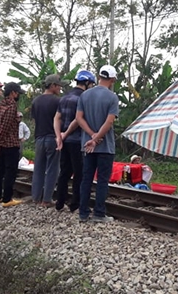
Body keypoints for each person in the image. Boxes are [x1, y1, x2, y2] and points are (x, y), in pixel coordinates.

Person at [77, 65, 119, 223]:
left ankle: (83, 213)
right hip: (105, 147)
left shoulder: (85, 95)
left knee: (86, 178)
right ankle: (99, 214)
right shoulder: (112, 97)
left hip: (87, 146)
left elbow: (79, 118)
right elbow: (109, 122)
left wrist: (91, 135)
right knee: (102, 180)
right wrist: (97, 138)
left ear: (99, 76)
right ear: (112, 79)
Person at [54, 70, 96, 212]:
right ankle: (75, 204)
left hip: (65, 141)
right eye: (91, 84)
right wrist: (65, 134)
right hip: (77, 140)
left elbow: (57, 118)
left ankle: (60, 202)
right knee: (79, 173)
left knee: (64, 171)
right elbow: (78, 120)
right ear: (87, 83)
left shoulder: (65, 97)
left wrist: (59, 136)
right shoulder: (84, 98)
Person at [31, 74, 68, 207]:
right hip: (53, 137)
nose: (60, 88)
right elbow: (60, 120)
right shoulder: (58, 101)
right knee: (53, 168)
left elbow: (35, 120)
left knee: (39, 168)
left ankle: (35, 197)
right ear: (52, 86)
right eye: (59, 86)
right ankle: (46, 199)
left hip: (39, 137)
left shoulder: (35, 101)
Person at [0, 82, 26, 207]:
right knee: (10, 172)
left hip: (1, 144)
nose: (18, 95)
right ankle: (7, 199)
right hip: (10, 144)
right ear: (13, 93)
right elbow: (5, 127)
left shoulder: (0, 105)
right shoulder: (12, 106)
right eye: (17, 93)